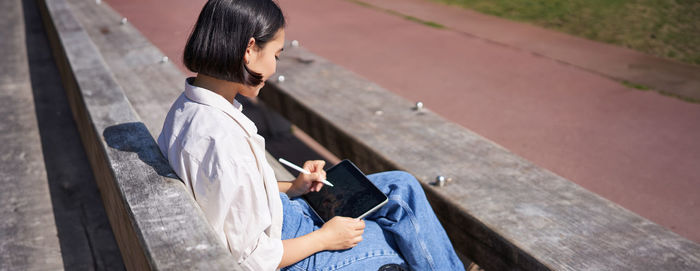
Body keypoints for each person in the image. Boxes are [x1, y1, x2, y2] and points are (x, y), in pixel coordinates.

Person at [157, 0, 465, 270]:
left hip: (284, 216)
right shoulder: (220, 141)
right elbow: (252, 259)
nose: (275, 67)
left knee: (402, 187)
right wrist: (325, 238)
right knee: (403, 238)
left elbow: (235, 193)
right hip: (290, 251)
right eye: (276, 54)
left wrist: (293, 186)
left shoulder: (190, 106)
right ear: (249, 50)